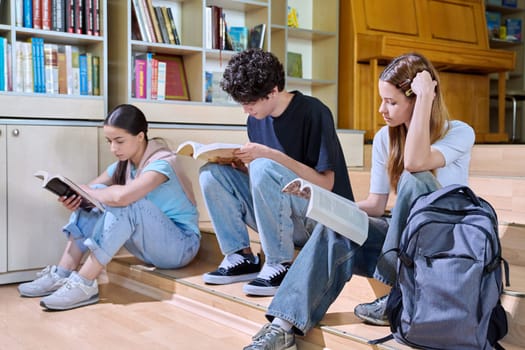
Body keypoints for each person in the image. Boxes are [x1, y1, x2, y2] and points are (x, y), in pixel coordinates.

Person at [243, 52, 475, 349]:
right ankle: (281, 326)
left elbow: (417, 162)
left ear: (418, 100)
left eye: (392, 102)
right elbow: (376, 206)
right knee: (337, 225)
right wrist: (322, 200)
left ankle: (399, 294)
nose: (382, 109)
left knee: (415, 179)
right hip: (400, 247)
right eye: (382, 100)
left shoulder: (459, 133)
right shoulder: (384, 139)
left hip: (442, 249)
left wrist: (426, 97)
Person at [199, 48, 354, 296]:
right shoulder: (255, 120)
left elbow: (326, 184)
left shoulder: (314, 112)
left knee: (262, 165)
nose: (245, 110)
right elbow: (269, 186)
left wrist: (270, 156)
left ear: (273, 91)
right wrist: (241, 168)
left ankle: (279, 264)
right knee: (212, 173)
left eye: (249, 103)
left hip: (324, 218)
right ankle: (241, 257)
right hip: (286, 217)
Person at [18, 104, 201, 311]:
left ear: (140, 137)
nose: (114, 148)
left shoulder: (163, 163)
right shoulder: (124, 165)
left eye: (119, 141)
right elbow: (92, 189)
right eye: (110, 141)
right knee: (96, 196)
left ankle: (84, 283)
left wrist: (90, 193)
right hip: (149, 245)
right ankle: (63, 273)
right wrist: (78, 198)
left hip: (181, 246)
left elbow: (123, 197)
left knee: (125, 201)